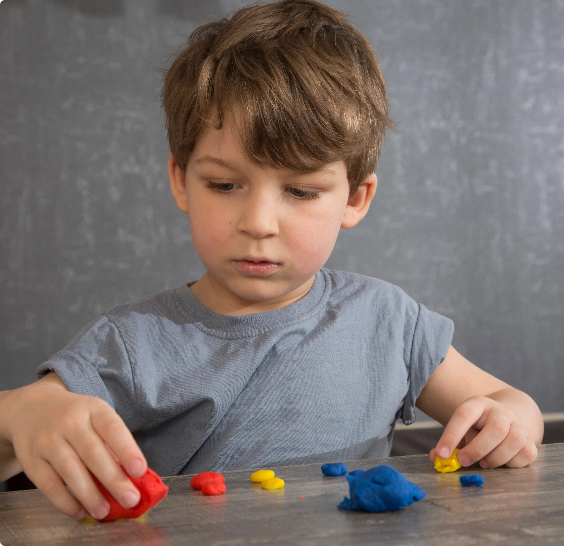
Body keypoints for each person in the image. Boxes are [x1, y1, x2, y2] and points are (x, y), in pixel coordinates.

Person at [0, 0, 543, 521]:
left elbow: (502, 400)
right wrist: (19, 414)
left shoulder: (388, 321)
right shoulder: (131, 343)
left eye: (302, 191)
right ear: (181, 180)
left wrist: (514, 417)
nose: (259, 222)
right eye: (224, 184)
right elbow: (18, 432)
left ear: (354, 198)